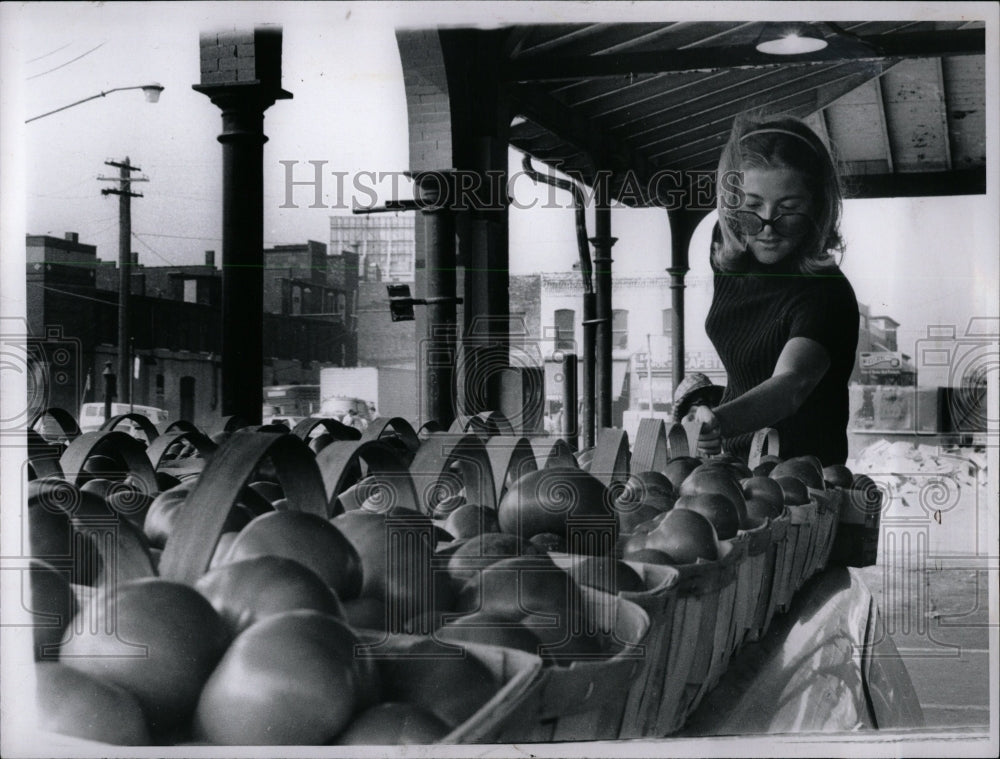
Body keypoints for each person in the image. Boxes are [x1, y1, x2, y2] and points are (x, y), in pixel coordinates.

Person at [688, 114, 860, 466]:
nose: (767, 226)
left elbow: (790, 385)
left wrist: (721, 420)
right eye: (752, 206)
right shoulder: (726, 253)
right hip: (735, 463)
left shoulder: (827, 294)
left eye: (788, 209)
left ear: (818, 208)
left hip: (803, 480)